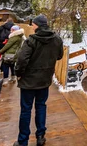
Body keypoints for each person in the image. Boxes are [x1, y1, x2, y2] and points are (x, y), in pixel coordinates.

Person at [14, 15, 63, 146]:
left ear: (37, 25)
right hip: (44, 80)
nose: (32, 26)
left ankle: (22, 140)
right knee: (41, 107)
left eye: (33, 24)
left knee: (26, 110)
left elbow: (22, 59)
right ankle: (40, 136)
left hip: (28, 82)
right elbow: (59, 56)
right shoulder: (57, 39)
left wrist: (18, 73)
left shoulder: (31, 40)